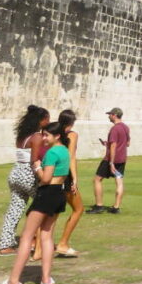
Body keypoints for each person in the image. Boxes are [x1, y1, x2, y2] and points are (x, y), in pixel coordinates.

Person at [0, 121, 69, 284]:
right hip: (59, 194)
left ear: (57, 136)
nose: (44, 138)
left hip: (47, 193)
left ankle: (13, 281)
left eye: (47, 135)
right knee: (46, 236)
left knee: (26, 237)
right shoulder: (65, 151)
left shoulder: (52, 152)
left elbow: (45, 178)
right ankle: (46, 279)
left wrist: (37, 166)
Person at [0, 105, 47, 255]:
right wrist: (43, 177)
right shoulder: (37, 137)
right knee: (41, 206)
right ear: (41, 120)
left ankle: (5, 245)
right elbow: (34, 160)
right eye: (47, 119)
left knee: (14, 210)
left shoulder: (22, 136)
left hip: (15, 173)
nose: (48, 122)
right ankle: (35, 242)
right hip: (28, 174)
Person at [53, 110, 83, 258]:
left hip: (52, 174)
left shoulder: (53, 133)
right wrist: (75, 179)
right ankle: (63, 243)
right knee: (78, 209)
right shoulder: (72, 135)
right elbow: (71, 157)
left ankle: (38, 245)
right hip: (66, 176)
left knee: (51, 213)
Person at [87, 107, 129, 214]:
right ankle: (116, 207)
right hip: (122, 159)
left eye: (110, 114)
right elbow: (126, 143)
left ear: (114, 115)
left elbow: (114, 146)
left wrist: (111, 163)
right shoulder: (126, 127)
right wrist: (107, 143)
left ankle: (99, 205)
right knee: (119, 182)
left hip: (111, 159)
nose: (108, 116)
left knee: (97, 179)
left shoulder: (114, 129)